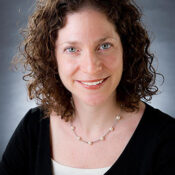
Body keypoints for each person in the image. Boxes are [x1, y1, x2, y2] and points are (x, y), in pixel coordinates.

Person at [0, 0, 175, 174]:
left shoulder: (166, 139)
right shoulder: (33, 128)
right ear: (52, 58)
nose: (91, 68)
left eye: (104, 46)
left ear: (126, 49)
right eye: (72, 49)